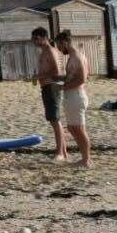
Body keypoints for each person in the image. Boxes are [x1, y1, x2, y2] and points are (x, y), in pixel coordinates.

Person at [57, 30, 92, 168]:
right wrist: (57, 79)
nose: (59, 49)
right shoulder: (72, 57)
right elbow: (72, 76)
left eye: (59, 45)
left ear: (65, 42)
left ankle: (86, 160)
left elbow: (82, 79)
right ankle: (85, 158)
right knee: (72, 128)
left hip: (76, 96)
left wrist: (62, 88)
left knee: (79, 129)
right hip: (72, 96)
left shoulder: (77, 57)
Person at [32, 27, 67, 162]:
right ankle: (63, 152)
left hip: (52, 87)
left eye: (36, 38)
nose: (34, 42)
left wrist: (38, 76)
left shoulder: (50, 51)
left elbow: (56, 72)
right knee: (54, 120)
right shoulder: (44, 52)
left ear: (44, 37)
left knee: (55, 120)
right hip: (47, 86)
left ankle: (60, 153)